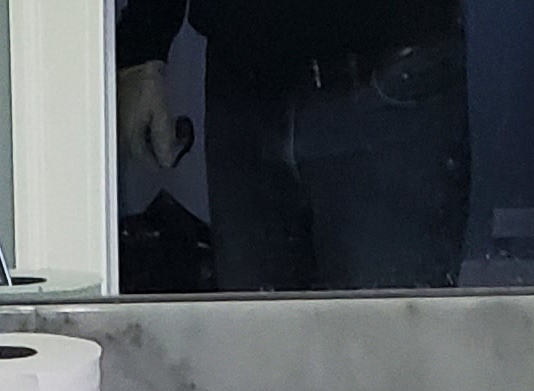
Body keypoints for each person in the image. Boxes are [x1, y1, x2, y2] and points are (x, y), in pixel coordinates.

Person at [116, 0, 472, 294]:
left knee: (385, 356)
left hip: (390, 71)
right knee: (260, 356)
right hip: (244, 77)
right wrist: (144, 48)